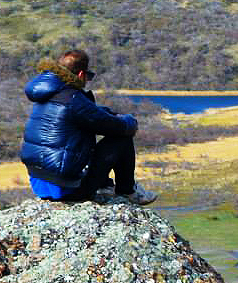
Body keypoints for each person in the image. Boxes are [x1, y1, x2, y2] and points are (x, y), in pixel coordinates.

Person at [19, 49, 156, 205]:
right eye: (87, 77)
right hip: (69, 190)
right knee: (122, 139)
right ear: (80, 75)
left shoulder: (47, 93)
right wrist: (130, 120)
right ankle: (128, 191)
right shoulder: (73, 99)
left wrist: (107, 113)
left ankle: (105, 185)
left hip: (40, 185)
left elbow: (90, 115)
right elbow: (118, 126)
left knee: (79, 137)